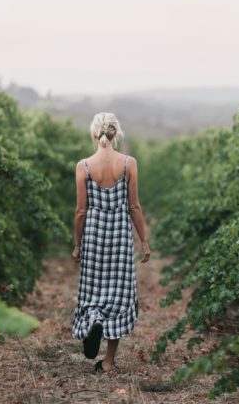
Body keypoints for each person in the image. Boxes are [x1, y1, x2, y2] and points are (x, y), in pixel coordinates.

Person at [71, 112, 151, 374]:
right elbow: (134, 207)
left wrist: (77, 244)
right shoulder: (129, 164)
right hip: (118, 236)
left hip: (94, 234)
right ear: (116, 134)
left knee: (93, 290)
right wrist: (145, 241)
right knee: (118, 294)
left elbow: (80, 211)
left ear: (95, 134)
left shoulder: (83, 166)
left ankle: (94, 320)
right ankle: (107, 361)